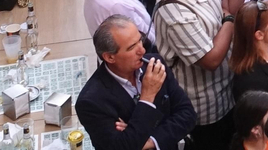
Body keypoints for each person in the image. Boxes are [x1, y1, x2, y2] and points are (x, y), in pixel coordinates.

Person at [153, 0, 254, 150]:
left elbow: (232, 5)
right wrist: (227, 19)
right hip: (205, 106)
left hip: (229, 87)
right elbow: (211, 59)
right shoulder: (174, 12)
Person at [75, 16, 198, 150]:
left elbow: (188, 115)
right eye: (132, 47)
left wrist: (148, 141)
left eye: (140, 40)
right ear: (110, 57)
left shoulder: (155, 65)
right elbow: (121, 147)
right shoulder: (91, 102)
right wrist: (147, 98)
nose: (142, 50)